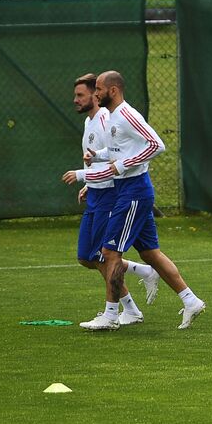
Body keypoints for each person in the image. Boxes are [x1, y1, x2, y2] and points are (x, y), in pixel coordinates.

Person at [81, 70, 205, 331]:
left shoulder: (127, 114)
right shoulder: (113, 117)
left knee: (110, 252)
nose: (96, 94)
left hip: (134, 192)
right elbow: (119, 150)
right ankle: (191, 300)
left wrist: (124, 165)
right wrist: (99, 156)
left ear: (113, 91)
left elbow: (156, 145)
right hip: (128, 190)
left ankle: (111, 315)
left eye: (100, 89)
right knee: (150, 253)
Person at [62, 73, 158, 325]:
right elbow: (107, 156)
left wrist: (86, 176)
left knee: (105, 255)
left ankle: (118, 313)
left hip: (110, 194)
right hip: (97, 192)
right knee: (86, 257)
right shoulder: (90, 121)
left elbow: (122, 158)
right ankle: (141, 272)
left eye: (82, 94)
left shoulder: (109, 119)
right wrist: (90, 182)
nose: (79, 99)